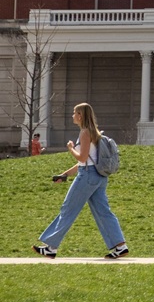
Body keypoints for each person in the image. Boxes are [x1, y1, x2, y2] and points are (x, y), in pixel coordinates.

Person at [35, 103, 127, 260]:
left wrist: (71, 148)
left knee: (68, 209)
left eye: (74, 113)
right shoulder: (94, 133)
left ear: (81, 115)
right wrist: (65, 174)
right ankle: (120, 246)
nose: (72, 115)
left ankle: (51, 247)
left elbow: (82, 158)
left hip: (87, 177)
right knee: (103, 212)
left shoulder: (85, 133)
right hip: (98, 176)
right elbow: (87, 161)